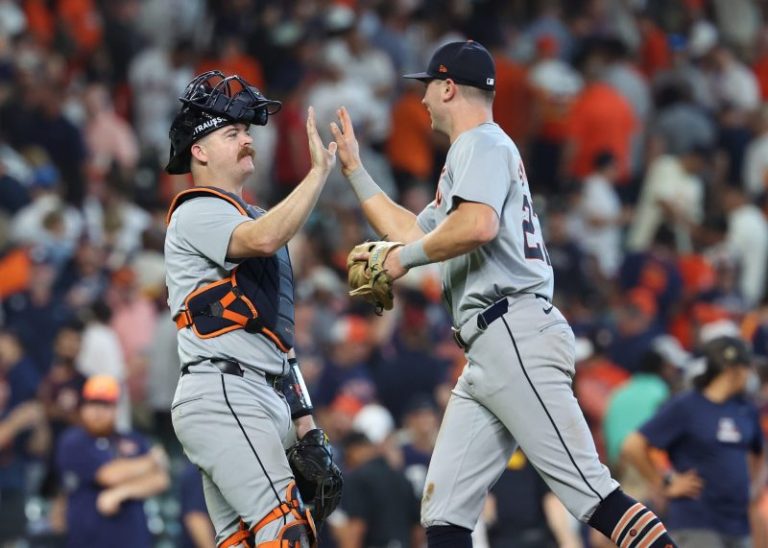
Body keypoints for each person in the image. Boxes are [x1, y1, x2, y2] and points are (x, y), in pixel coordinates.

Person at [330, 40, 678, 548]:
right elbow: (412, 232)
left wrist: (401, 262)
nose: (422, 99)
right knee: (445, 513)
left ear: (448, 87)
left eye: (427, 87)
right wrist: (357, 173)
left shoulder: (482, 145)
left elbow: (476, 226)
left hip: (512, 329)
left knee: (591, 493)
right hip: (492, 344)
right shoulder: (472, 159)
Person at [164, 70, 341, 547]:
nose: (247, 141)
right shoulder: (196, 210)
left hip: (257, 393)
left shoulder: (256, 216)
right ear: (199, 151)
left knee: (244, 541)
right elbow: (264, 239)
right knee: (286, 531)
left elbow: (278, 337)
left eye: (246, 133)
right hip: (223, 388)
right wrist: (318, 173)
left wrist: (304, 421)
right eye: (231, 133)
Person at [622, 336, 765, 548]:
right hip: (697, 521)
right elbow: (633, 445)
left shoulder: (746, 409)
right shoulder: (687, 406)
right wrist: (664, 483)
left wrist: (752, 488)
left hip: (738, 524)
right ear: (732, 369)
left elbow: (759, 451)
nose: (749, 376)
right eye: (746, 368)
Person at [56, 375, 170, 548]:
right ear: (83, 407)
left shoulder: (131, 439)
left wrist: (121, 492)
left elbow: (160, 480)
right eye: (93, 404)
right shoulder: (74, 440)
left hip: (133, 538)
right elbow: (109, 475)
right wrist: (151, 460)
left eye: (106, 405)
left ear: (116, 409)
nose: (98, 412)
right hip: (90, 539)